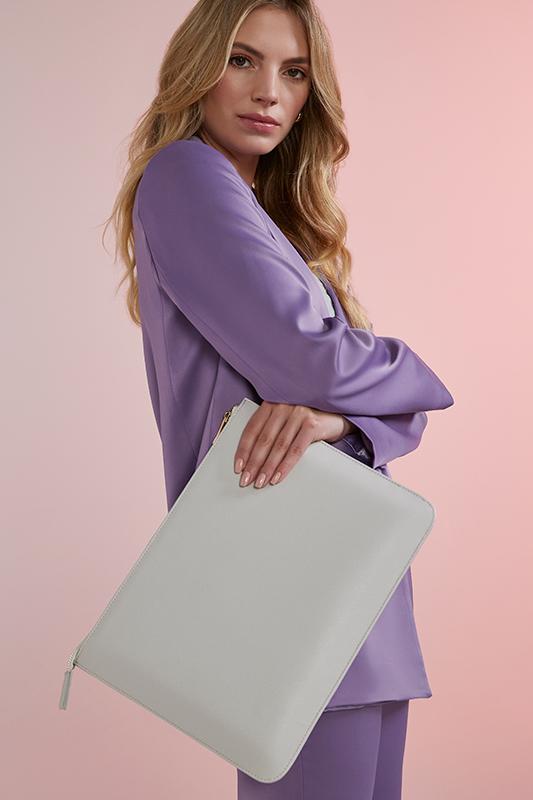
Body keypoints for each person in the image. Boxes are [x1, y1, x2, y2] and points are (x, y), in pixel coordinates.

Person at [103, 1, 454, 797]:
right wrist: (410, 373)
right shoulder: (185, 176)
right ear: (197, 68)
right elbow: (313, 360)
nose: (268, 90)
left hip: (352, 589)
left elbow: (349, 404)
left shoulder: (270, 224)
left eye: (293, 73)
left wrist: (341, 420)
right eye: (241, 59)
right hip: (286, 587)